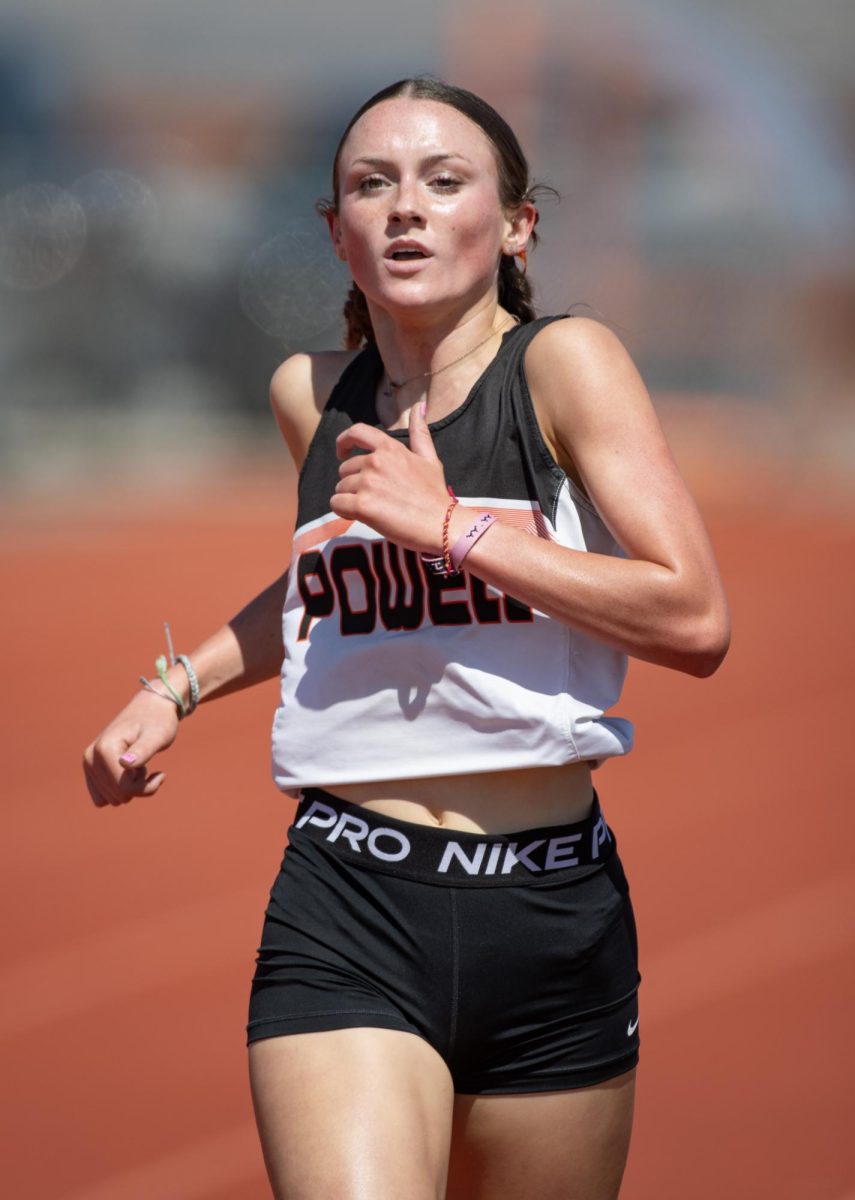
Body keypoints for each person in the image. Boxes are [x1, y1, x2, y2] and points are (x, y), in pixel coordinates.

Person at [83, 77, 730, 1200]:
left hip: (553, 914)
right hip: (351, 901)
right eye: (372, 186)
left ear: (517, 224)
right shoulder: (315, 396)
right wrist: (178, 684)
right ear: (336, 234)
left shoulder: (566, 367)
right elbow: (324, 589)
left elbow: (694, 617)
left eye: (444, 181)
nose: (407, 209)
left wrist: (451, 528)